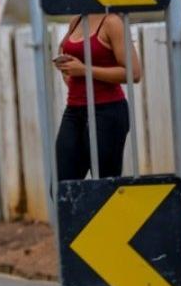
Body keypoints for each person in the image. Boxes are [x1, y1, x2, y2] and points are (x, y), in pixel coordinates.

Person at [53, 13, 141, 181]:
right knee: (61, 186)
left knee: (104, 185)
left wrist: (84, 70)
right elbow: (64, 49)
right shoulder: (77, 20)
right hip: (74, 111)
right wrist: (66, 70)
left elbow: (134, 73)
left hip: (107, 112)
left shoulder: (112, 22)